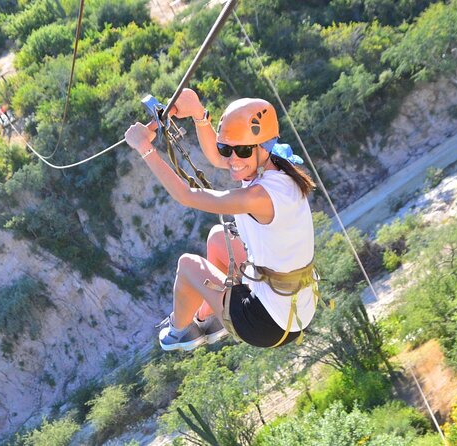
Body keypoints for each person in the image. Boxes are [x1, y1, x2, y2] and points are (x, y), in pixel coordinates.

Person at [124, 88, 319, 351]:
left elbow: (185, 195)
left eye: (243, 151)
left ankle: (180, 331)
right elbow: (219, 159)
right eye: (228, 148)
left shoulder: (258, 196)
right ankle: (207, 320)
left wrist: (145, 148)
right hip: (297, 307)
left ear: (263, 147)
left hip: (268, 324)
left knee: (188, 265)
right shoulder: (281, 165)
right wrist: (199, 114)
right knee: (218, 237)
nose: (234, 159)